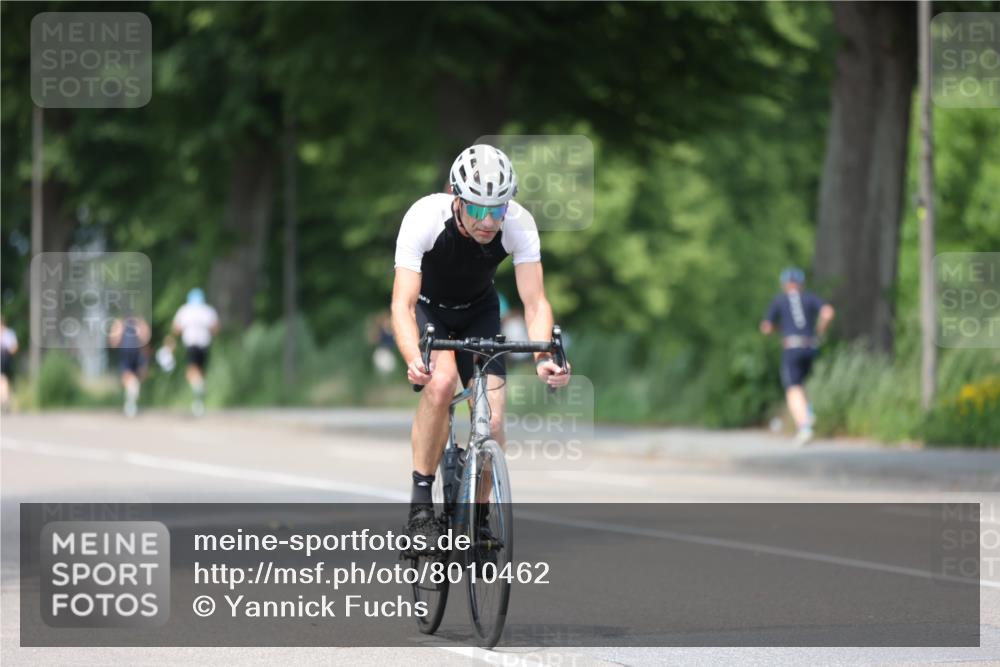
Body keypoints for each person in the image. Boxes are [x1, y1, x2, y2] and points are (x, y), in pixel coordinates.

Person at [392, 144, 571, 548]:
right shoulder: (424, 217)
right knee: (441, 384)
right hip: (429, 311)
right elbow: (401, 304)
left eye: (498, 209)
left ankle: (479, 517)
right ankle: (420, 507)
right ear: (456, 198)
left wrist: (544, 357)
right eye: (477, 209)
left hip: (480, 311)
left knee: (493, 420)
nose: (489, 221)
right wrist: (412, 358)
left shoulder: (519, 224)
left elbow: (535, 302)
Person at [760, 267, 835, 446]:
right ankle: (808, 412)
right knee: (801, 384)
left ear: (784, 284)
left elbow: (766, 327)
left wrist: (781, 329)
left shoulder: (780, 300)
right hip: (810, 346)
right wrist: (820, 330)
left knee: (793, 388)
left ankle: (804, 427)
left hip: (792, 347)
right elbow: (828, 312)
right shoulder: (809, 297)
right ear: (801, 284)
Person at [172, 288, 220, 417]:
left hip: (191, 344)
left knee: (191, 372)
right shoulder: (208, 310)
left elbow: (176, 328)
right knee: (201, 371)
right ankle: (199, 403)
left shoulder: (185, 310)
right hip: (205, 344)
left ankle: (199, 389)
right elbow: (216, 328)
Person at [108, 315, 151, 417]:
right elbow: (145, 339)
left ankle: (130, 403)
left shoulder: (119, 323)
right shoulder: (140, 322)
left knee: (128, 377)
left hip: (126, 352)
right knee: (135, 378)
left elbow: (113, 342)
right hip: (137, 352)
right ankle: (131, 400)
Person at [1, 317, 18, 414]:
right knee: (4, 380)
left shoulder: (8, 333)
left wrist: (8, 352)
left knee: (3, 379)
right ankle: (5, 400)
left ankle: (5, 400)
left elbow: (14, 347)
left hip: (5, 358)